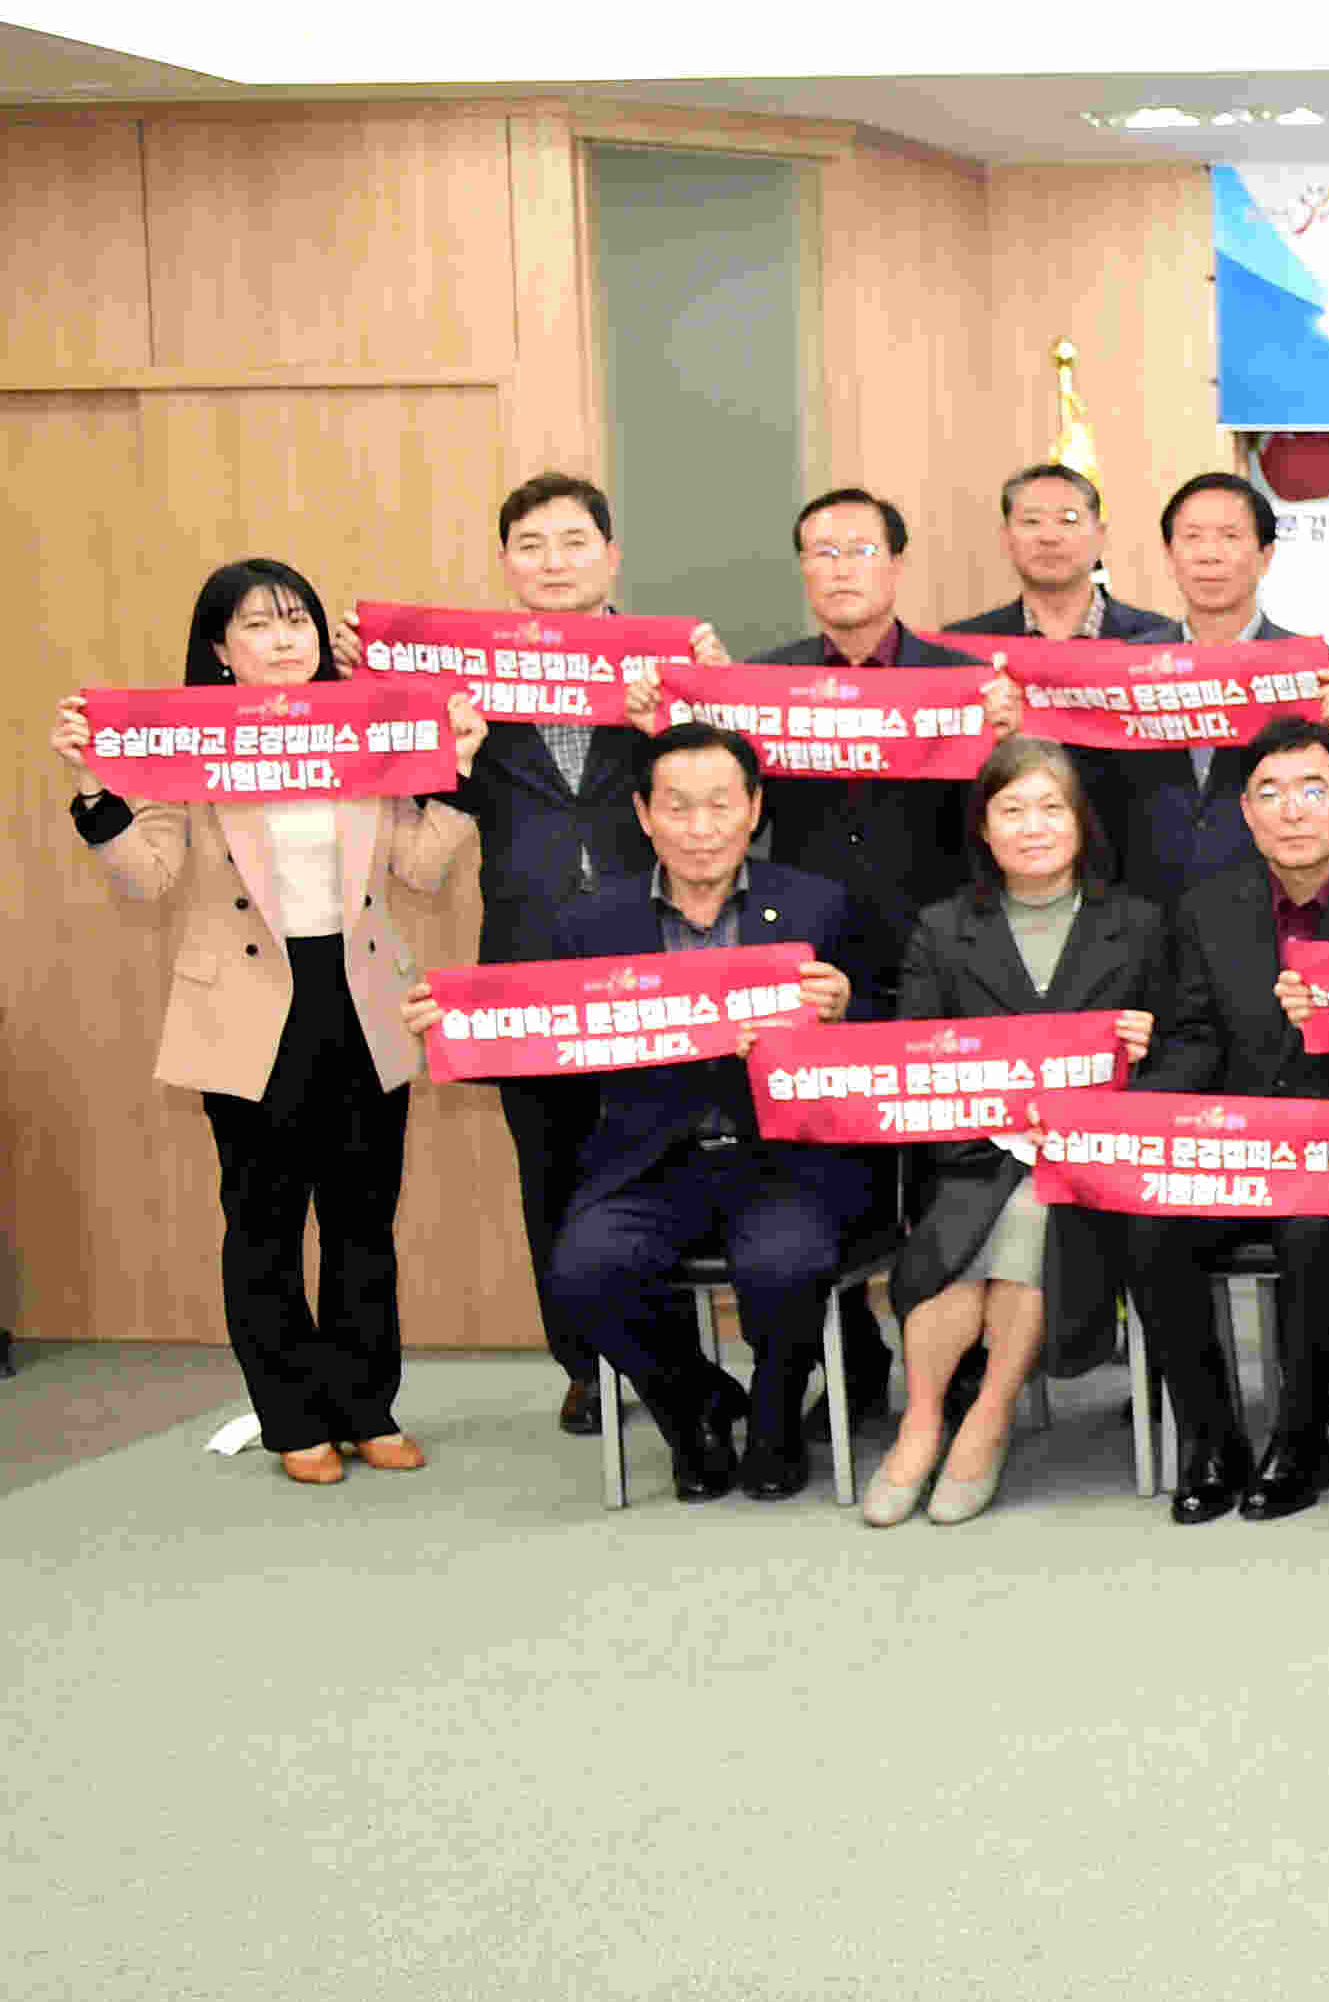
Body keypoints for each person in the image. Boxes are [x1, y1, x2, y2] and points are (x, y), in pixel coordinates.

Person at [63, 559, 487, 1486]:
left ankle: (366, 1405)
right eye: (257, 625)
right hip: (248, 1005)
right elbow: (151, 877)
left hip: (360, 996)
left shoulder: (367, 724)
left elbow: (421, 867)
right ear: (220, 649)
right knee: (264, 1223)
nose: (284, 639)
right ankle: (292, 1416)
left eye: (297, 620)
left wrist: (457, 767)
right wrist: (99, 791)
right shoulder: (186, 740)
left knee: (362, 1218)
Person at [501, 723, 877, 1502]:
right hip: (651, 1160)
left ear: (754, 809)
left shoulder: (820, 906)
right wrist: (457, 1028)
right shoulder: (590, 925)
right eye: (678, 807)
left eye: (720, 805)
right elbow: (543, 1045)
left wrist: (849, 1009)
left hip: (781, 1157)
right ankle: (692, 1406)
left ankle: (775, 1410)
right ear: (644, 814)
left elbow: (894, 1030)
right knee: (583, 1272)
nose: (700, 829)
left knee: (786, 1266)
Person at [438, 472, 723, 1435]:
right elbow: (439, 803)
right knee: (551, 1170)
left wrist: (691, 707)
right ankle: (585, 1365)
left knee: (666, 1155)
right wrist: (448, 742)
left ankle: (672, 1360)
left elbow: (717, 788)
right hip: (526, 958)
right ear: (506, 563)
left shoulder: (668, 661)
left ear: (611, 554)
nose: (553, 562)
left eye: (572, 542)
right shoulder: (465, 672)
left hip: (658, 948)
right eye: (531, 545)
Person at [863, 737, 1204, 1528]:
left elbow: (1192, 1043)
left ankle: (986, 1416)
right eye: (1012, 809)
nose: (1033, 826)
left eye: (1052, 807)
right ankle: (923, 1422)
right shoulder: (942, 928)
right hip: (972, 1152)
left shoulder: (1140, 924)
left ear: (1082, 822)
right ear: (984, 828)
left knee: (1030, 1208)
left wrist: (1145, 1057)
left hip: (1093, 1164)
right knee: (980, 1215)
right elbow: (911, 1055)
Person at [1152, 717, 1329, 1522]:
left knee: (1314, 1231)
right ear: (1246, 811)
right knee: (1149, 1223)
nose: (1292, 810)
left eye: (1312, 790)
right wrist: (1136, 1114)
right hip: (1233, 1151)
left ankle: (1301, 1439)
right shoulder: (1205, 910)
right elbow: (1193, 1040)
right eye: (1269, 792)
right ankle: (1211, 1438)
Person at [747, 487, 994, 952]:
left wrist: (1004, 738)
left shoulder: (963, 680)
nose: (841, 570)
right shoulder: (764, 679)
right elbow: (743, 816)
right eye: (824, 553)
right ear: (803, 567)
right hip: (805, 932)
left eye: (861, 551)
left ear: (897, 564)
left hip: (936, 933)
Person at [947, 461, 1185, 893]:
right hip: (1000, 887)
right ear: (1006, 537)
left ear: (1100, 535)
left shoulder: (1159, 645)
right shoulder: (962, 650)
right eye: (1031, 521)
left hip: (1139, 881)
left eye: (1068, 520)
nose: (1049, 536)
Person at [1121, 470, 1329, 907]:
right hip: (1142, 908)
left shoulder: (1310, 667)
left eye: (1229, 537)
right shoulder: (1126, 666)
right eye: (1192, 537)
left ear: (1266, 554)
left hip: (1268, 906)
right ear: (1169, 553)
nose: (1209, 555)